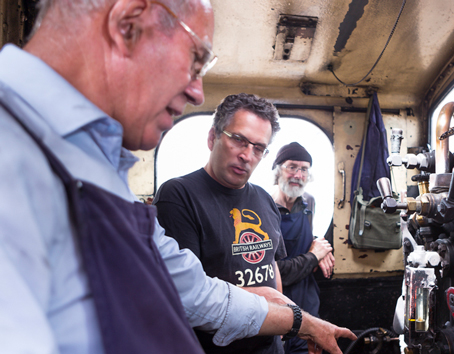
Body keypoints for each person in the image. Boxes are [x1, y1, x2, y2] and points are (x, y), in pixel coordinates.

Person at [0, 1, 356, 354]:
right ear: (127, 25)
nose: (197, 92)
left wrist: (301, 322)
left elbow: (194, 292)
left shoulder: (95, 166)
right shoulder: (14, 151)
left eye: (259, 148)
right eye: (195, 61)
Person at [154, 93, 289, 354]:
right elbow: (186, 293)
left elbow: (271, 264)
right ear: (212, 137)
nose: (247, 155)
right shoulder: (178, 196)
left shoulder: (264, 198)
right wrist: (264, 301)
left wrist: (280, 324)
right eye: (239, 139)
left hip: (269, 345)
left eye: (259, 148)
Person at [272, 142, 336, 354]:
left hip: (307, 300)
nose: (298, 175)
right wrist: (314, 255)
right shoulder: (264, 207)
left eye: (304, 169)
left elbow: (304, 238)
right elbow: (275, 271)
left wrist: (320, 246)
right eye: (292, 167)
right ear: (277, 169)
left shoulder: (309, 203)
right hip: (277, 301)